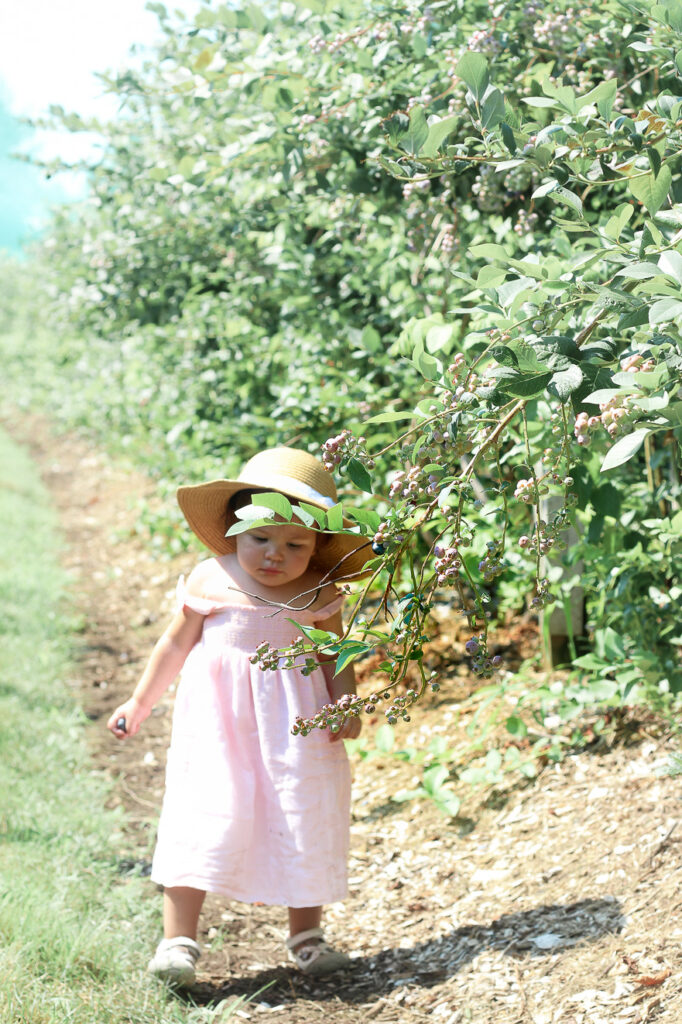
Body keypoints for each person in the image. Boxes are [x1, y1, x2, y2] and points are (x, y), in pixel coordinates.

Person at [107, 447, 370, 986]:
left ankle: (308, 938)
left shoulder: (319, 592)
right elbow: (174, 646)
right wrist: (139, 702)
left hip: (298, 731)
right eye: (261, 539)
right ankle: (178, 942)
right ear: (234, 529)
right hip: (218, 729)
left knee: (303, 812)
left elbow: (332, 654)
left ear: (318, 542)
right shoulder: (211, 579)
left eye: (295, 544)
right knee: (202, 813)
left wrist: (346, 702)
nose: (276, 555)